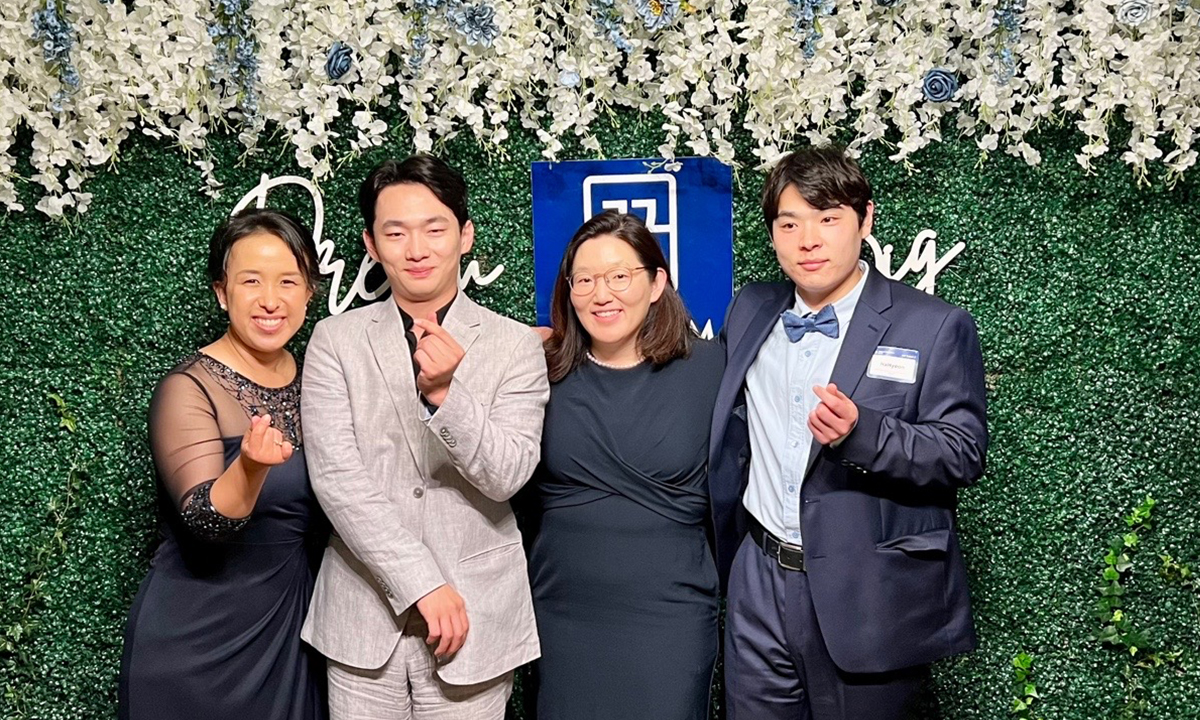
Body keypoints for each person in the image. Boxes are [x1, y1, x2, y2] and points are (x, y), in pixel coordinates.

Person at [709, 146, 989, 720]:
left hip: (869, 593)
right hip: (758, 582)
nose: (808, 239)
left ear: (865, 221)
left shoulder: (933, 324)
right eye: (790, 223)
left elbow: (962, 452)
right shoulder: (752, 308)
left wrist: (865, 434)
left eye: (828, 218)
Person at [300, 155, 548, 719]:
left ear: (465, 236)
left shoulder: (515, 346)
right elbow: (338, 480)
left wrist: (446, 397)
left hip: (479, 617)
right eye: (396, 232)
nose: (416, 248)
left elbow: (509, 473)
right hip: (363, 620)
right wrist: (421, 583)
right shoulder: (335, 341)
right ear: (371, 243)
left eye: (435, 229)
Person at [119, 208, 328, 720]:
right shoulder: (189, 389)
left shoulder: (323, 381)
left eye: (288, 281)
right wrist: (251, 468)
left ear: (309, 292)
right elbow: (204, 522)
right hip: (196, 642)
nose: (270, 300)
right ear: (221, 292)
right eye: (250, 281)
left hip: (290, 635)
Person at [528, 210, 724, 720]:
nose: (601, 294)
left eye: (620, 276)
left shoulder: (713, 368)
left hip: (671, 617)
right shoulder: (538, 369)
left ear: (657, 282)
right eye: (585, 280)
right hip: (563, 612)